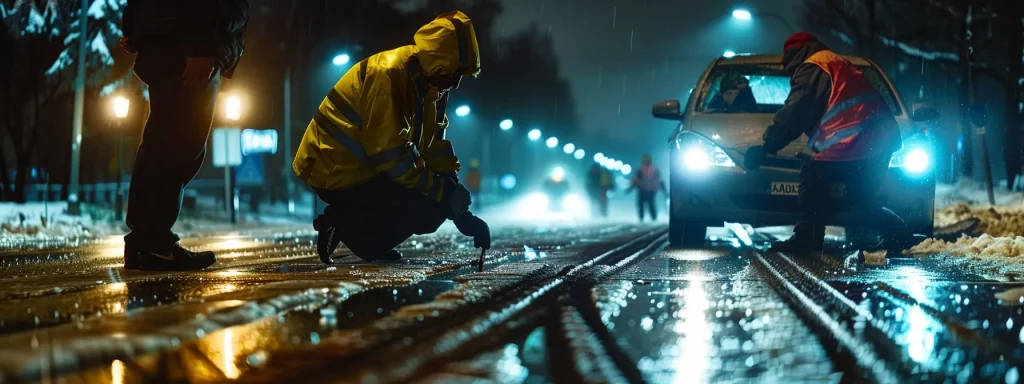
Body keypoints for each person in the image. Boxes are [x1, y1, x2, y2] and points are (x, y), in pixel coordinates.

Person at [293, 11, 491, 264]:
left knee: (435, 204)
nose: (456, 84)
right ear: (438, 62)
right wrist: (446, 195)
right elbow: (392, 158)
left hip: (361, 170)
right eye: (455, 73)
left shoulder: (432, 86)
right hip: (332, 169)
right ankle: (342, 221)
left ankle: (360, 236)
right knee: (429, 206)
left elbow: (434, 150)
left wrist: (459, 209)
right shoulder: (388, 76)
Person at [743, 32, 918, 253]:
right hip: (877, 138)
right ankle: (898, 234)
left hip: (850, 139)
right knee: (859, 194)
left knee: (813, 180)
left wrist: (767, 146)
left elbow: (796, 112)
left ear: (793, 56)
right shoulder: (832, 62)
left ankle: (807, 238)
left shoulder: (813, 67)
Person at [120, 0, 249, 271]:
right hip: (188, 46)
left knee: (161, 141)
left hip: (165, 37)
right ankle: (156, 245)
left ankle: (143, 242)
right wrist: (201, 49)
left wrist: (133, 26)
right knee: (180, 146)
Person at [628, 154, 667, 222]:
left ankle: (641, 217)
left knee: (641, 204)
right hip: (652, 190)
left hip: (642, 189)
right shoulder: (655, 169)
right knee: (651, 203)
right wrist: (664, 191)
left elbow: (636, 180)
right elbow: (660, 180)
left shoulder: (640, 169)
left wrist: (630, 188)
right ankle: (653, 217)